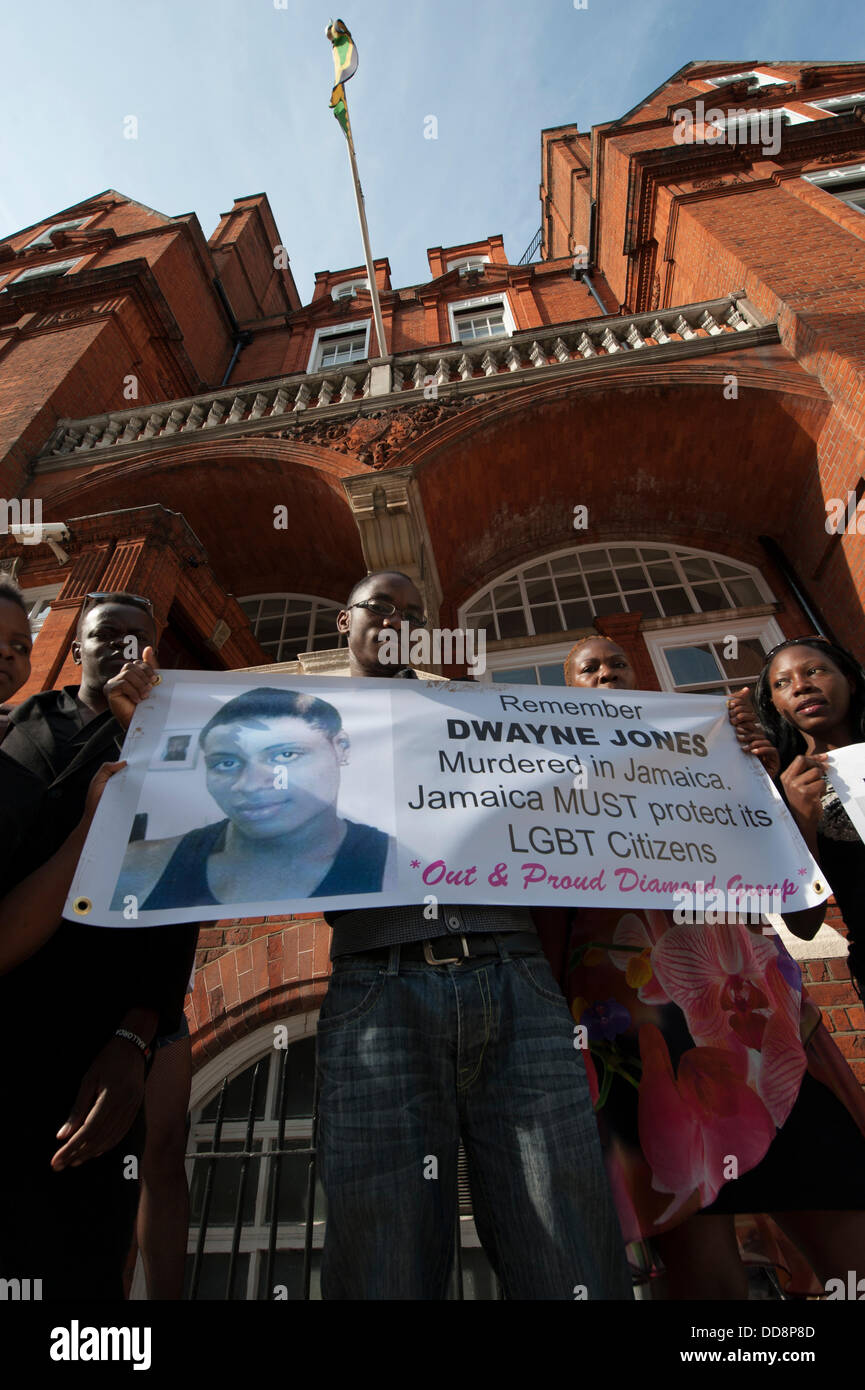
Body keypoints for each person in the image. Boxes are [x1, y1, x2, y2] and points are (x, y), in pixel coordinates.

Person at [314, 570, 633, 1300]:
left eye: (412, 614)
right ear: (343, 620)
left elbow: (591, 790)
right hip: (376, 981)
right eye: (379, 608)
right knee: (381, 1251)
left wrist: (708, 753)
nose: (396, 621)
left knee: (568, 1241)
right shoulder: (299, 723)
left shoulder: (472, 709)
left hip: (512, 968)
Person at [554, 633, 865, 1299]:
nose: (604, 672)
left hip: (754, 1007)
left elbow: (796, 902)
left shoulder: (709, 749)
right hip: (635, 1015)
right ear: (568, 689)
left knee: (842, 1217)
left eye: (616, 663)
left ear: (640, 677)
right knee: (696, 1244)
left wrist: (759, 776)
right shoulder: (548, 767)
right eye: (588, 668)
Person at [0, 588, 197, 1299]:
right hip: (14, 986)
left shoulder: (174, 745)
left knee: (81, 1243)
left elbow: (177, 887)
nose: (119, 646)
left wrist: (139, 1029)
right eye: (104, 634)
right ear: (75, 647)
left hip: (99, 1022)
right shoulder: (19, 723)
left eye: (136, 637)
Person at [112, 687, 394, 911]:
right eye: (226, 763)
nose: (248, 785)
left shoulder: (401, 864)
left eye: (285, 755)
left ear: (340, 748)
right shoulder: (136, 867)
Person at [751, 635, 865, 1004]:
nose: (801, 686)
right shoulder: (786, 790)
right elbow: (803, 926)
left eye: (815, 671)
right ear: (774, 704)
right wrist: (801, 820)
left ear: (848, 678)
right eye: (782, 683)